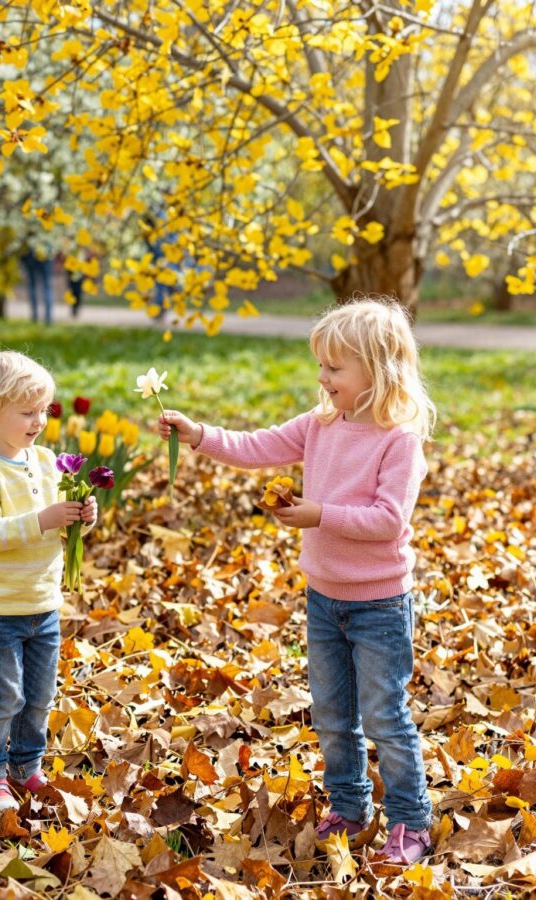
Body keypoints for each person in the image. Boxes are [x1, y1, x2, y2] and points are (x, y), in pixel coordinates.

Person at [157, 297, 436, 864]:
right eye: (321, 365)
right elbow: (257, 446)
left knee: (385, 716)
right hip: (324, 599)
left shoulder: (398, 441)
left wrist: (319, 514)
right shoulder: (320, 424)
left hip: (380, 606)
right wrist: (198, 434)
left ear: (377, 370)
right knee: (333, 715)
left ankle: (411, 822)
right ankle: (350, 807)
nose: (323, 377)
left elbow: (389, 520)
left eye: (335, 367)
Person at [0, 349, 97, 812]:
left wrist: (80, 517)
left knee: (39, 695)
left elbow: (57, 524)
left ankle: (26, 765)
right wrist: (42, 519)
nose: (39, 421)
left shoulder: (47, 461)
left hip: (42, 602)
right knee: (5, 694)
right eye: (27, 412)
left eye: (43, 411)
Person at [20, 239, 54, 325]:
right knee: (46, 287)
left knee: (33, 287)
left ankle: (35, 317)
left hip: (32, 253)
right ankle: (48, 318)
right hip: (45, 252)